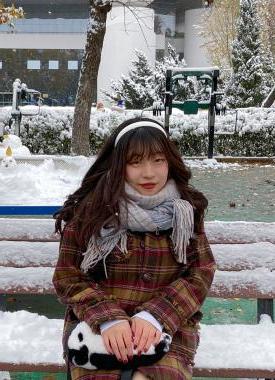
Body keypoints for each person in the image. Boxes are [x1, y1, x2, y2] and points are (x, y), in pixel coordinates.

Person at [52, 117, 216, 380]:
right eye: (135, 162)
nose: (148, 173)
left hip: (166, 326)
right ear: (119, 165)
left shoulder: (186, 212)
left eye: (158, 160)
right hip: (97, 327)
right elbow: (68, 276)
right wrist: (109, 319)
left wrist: (155, 316)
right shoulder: (92, 211)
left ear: (170, 162)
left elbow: (200, 273)